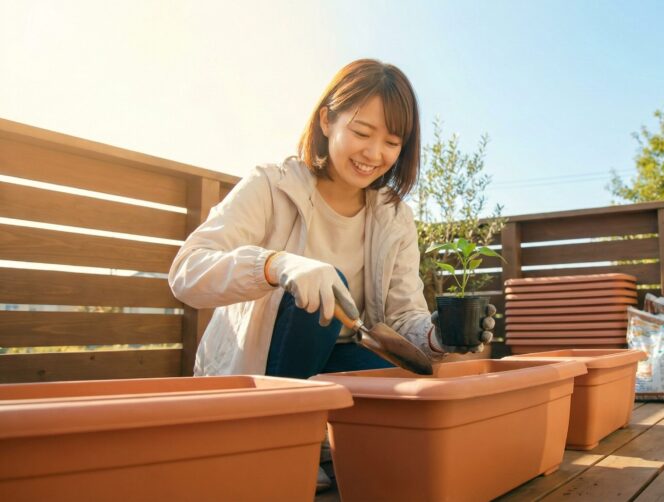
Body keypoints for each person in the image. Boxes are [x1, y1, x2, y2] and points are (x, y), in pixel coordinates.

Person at [168, 59, 495, 491]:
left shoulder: (394, 218)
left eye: (392, 142)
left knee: (413, 384)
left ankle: (332, 449)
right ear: (327, 120)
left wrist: (440, 337)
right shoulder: (271, 185)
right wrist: (276, 265)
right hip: (263, 374)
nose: (374, 154)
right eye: (361, 132)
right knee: (322, 289)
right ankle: (278, 449)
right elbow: (187, 271)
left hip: (338, 363)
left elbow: (401, 319)